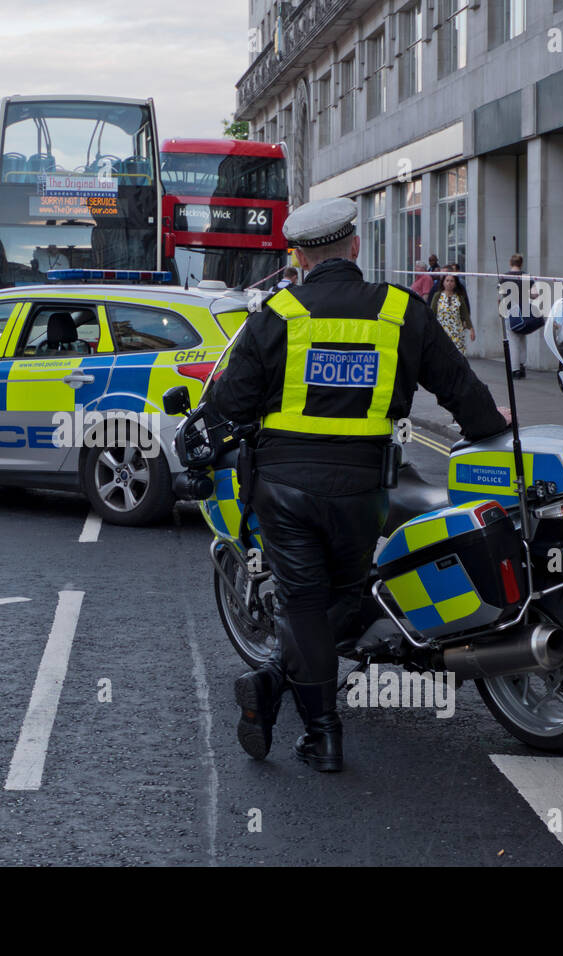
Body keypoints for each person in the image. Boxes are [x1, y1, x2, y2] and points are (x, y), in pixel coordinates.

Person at [205, 197, 509, 774]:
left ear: (298, 257)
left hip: (286, 489)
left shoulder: (278, 313)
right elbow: (458, 385)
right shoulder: (400, 310)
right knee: (346, 598)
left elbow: (229, 403)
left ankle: (319, 732)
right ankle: (279, 689)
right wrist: (490, 428)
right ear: (355, 247)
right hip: (364, 490)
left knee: (303, 605)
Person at [497, 253, 538, 379]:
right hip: (524, 310)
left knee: (513, 340)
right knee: (522, 338)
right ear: (521, 264)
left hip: (511, 310)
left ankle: (515, 369)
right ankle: (522, 364)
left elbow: (500, 296)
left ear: (511, 263)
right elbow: (534, 295)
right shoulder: (527, 277)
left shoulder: (503, 277)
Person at [429, 271, 473, 355]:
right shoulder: (437, 295)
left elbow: (465, 314)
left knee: (457, 357)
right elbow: (432, 314)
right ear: (443, 282)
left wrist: (471, 329)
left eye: (452, 281)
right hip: (441, 333)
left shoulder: (459, 297)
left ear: (455, 284)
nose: (449, 283)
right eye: (447, 280)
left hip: (457, 333)